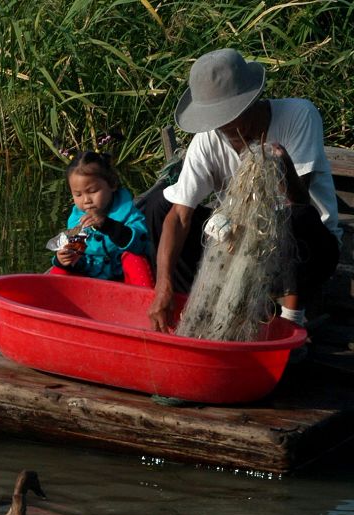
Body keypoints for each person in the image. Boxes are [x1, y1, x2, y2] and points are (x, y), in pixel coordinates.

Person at [143, 48, 341, 332]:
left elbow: (298, 200)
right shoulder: (207, 139)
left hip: (307, 248)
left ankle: (290, 320)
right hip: (239, 243)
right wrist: (164, 283)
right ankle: (196, 305)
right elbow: (179, 216)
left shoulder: (299, 115)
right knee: (158, 207)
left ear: (251, 102)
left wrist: (281, 164)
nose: (225, 128)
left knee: (294, 217)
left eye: (232, 118)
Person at [49, 150, 153, 287]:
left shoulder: (127, 213)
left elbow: (142, 244)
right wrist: (63, 259)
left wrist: (107, 225)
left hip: (126, 281)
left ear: (112, 184)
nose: (86, 200)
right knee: (58, 270)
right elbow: (79, 259)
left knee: (134, 258)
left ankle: (146, 303)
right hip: (93, 283)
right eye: (78, 195)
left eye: (92, 191)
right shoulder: (75, 221)